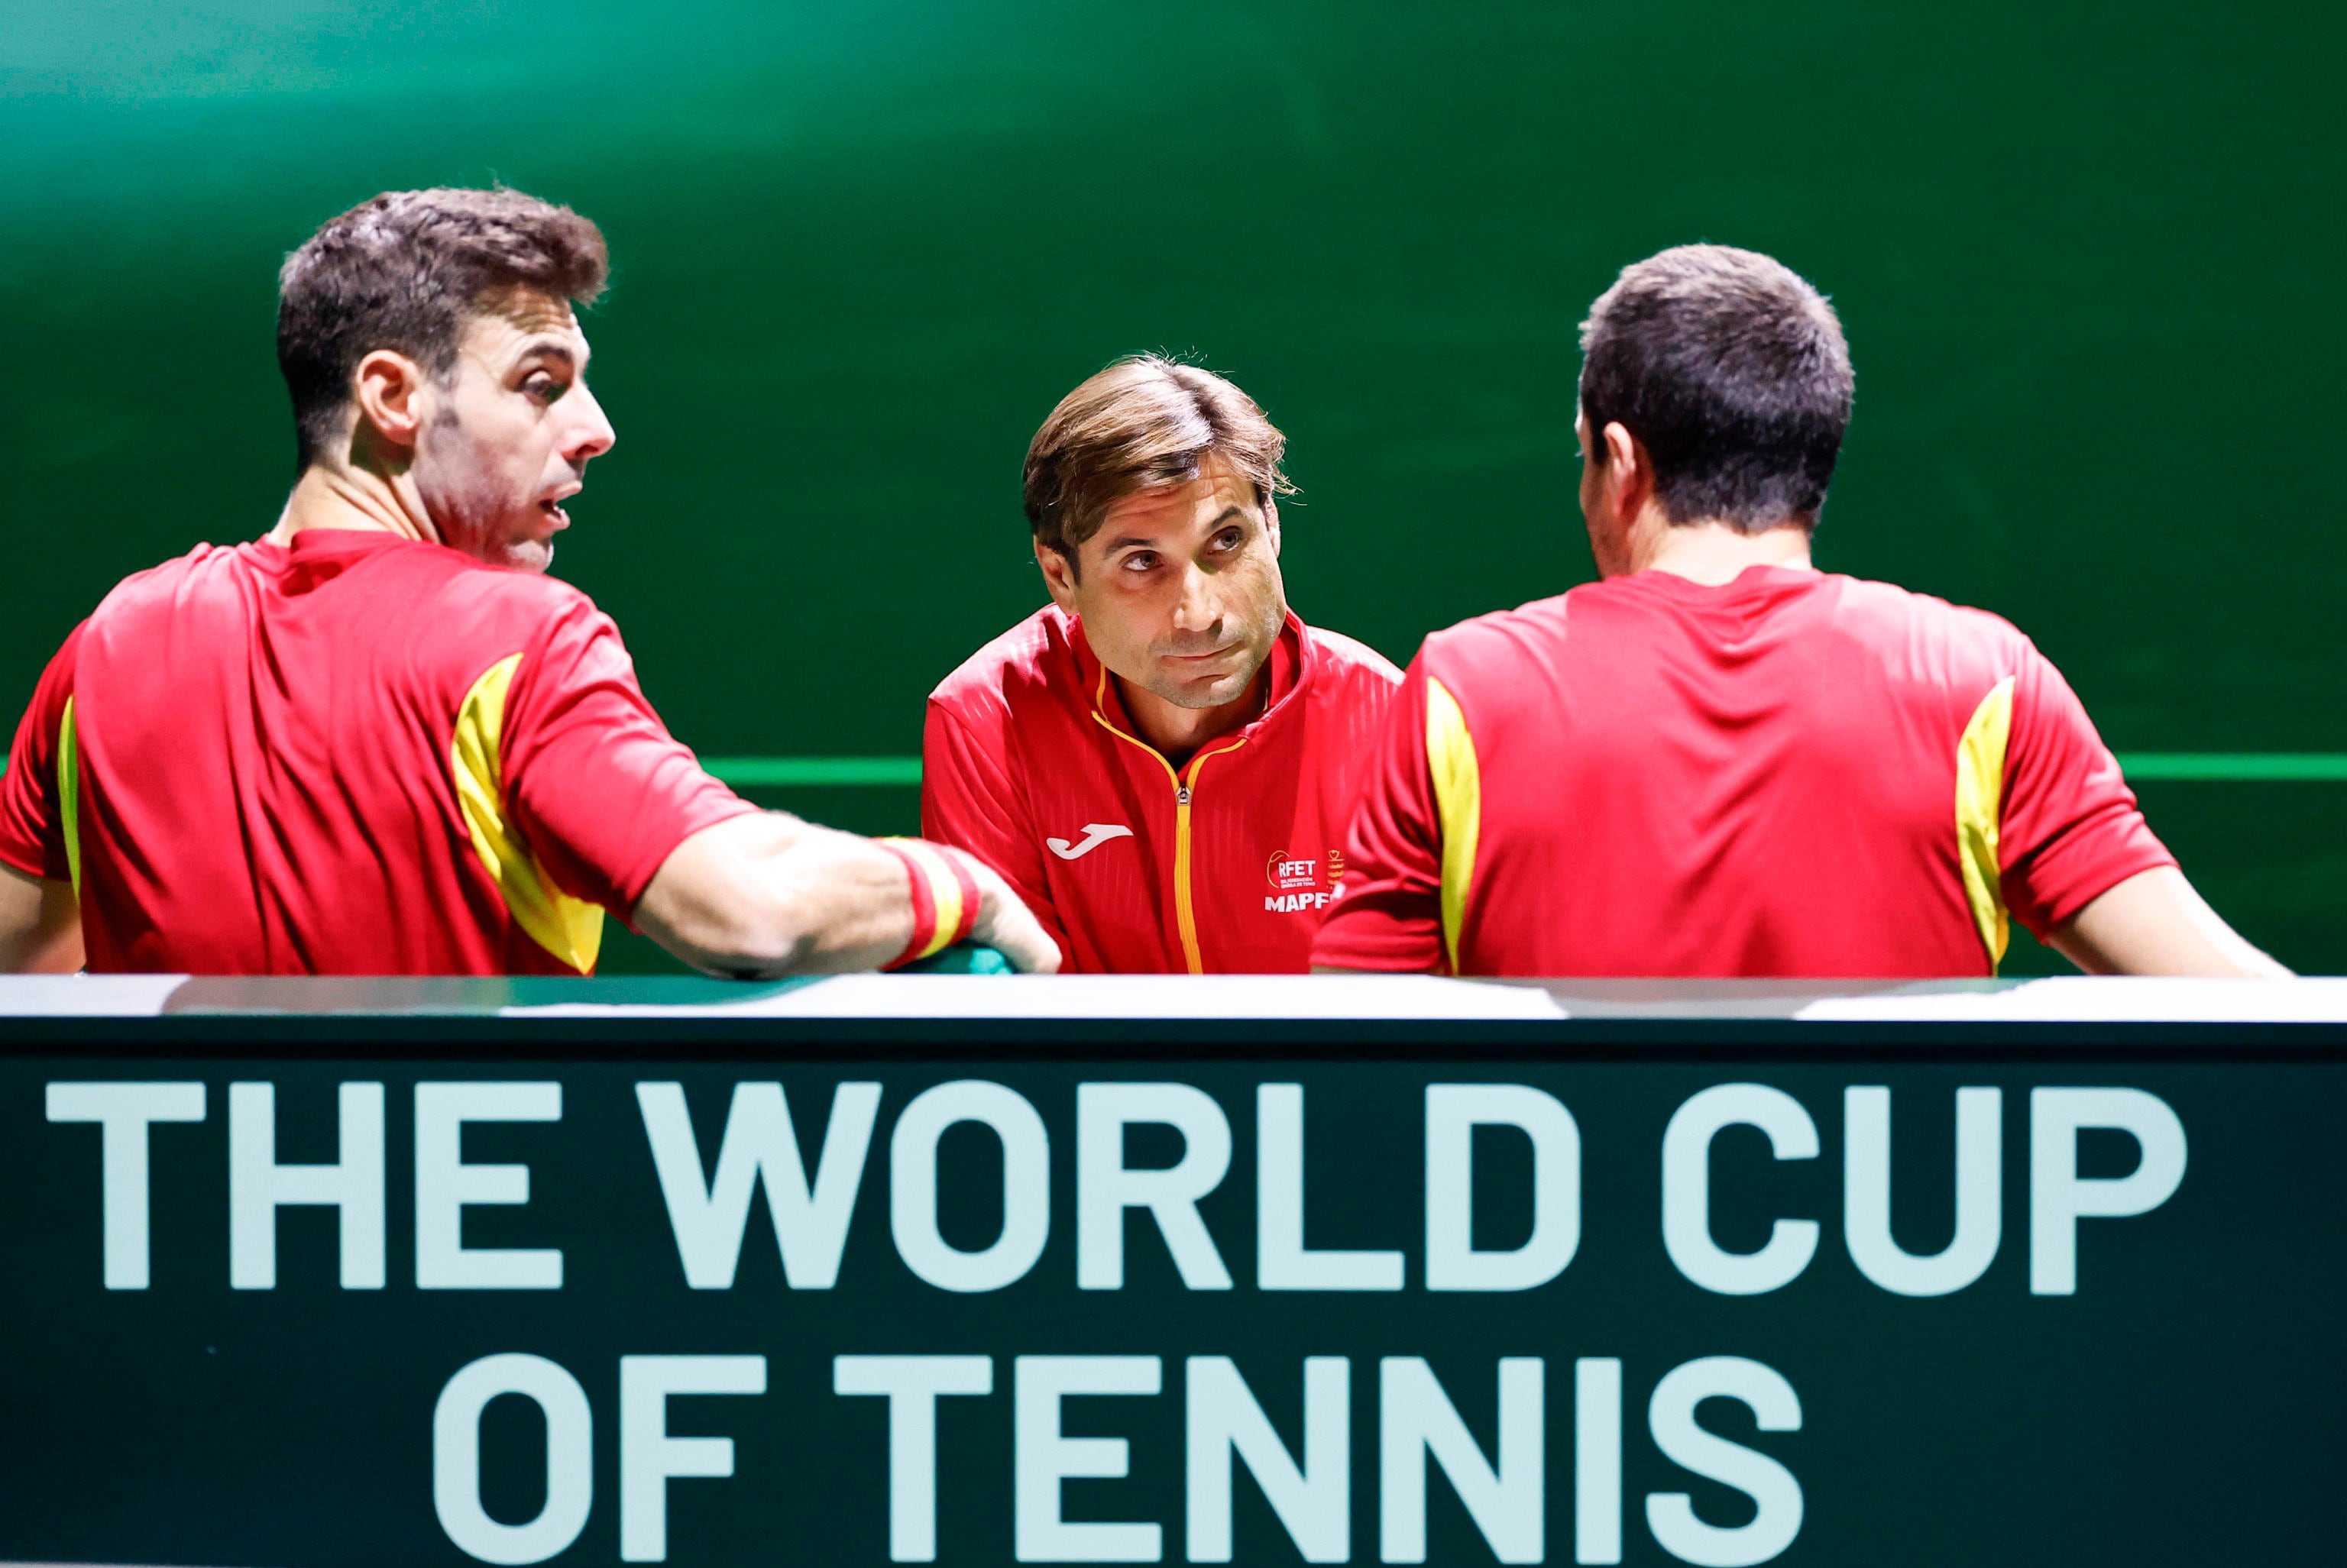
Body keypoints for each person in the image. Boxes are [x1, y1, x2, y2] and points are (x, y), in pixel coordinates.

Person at [0, 187, 1053, 978]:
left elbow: (25, 981)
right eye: (542, 384)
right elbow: (750, 908)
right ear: (393, 395)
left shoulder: (107, 644)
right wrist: (962, 884)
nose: (597, 430)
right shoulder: (514, 638)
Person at [1313, 244, 2284, 978]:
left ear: (1621, 460)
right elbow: (2241, 1007)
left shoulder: (1466, 688)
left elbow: (1338, 1068)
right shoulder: (1985, 682)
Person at [923, 357, 1402, 972]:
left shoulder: (1391, 719)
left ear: (1272, 527)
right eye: (1143, 562)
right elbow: (1009, 1010)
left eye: (1226, 540)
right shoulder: (986, 721)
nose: (1199, 614)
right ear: (1060, 575)